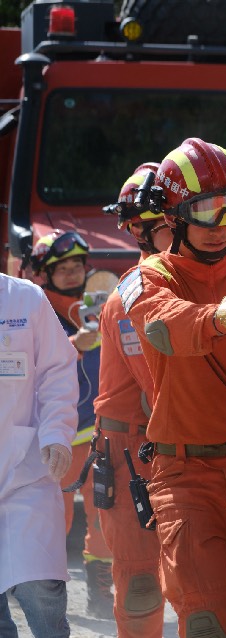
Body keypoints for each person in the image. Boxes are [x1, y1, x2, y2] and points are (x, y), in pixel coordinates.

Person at [122, 138, 226, 637]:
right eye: (205, 210)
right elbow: (165, 327)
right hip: (183, 477)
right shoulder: (144, 278)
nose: (221, 224)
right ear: (172, 216)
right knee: (207, 622)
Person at [92, 162, 173, 636]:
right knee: (142, 582)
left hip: (180, 447)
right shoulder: (132, 296)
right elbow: (158, 392)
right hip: (134, 456)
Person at [29, 230, 114, 618]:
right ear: (44, 274)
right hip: (57, 436)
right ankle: (38, 589)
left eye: (76, 265)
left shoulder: (101, 302)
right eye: (60, 268)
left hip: (102, 431)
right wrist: (72, 344)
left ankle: (100, 591)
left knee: (104, 512)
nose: (70, 273)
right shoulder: (35, 309)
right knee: (54, 516)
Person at [0, 273, 78, 638]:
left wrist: (57, 433)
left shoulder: (24, 298)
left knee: (42, 587)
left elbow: (56, 371)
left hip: (25, 471)